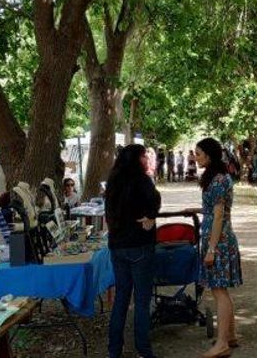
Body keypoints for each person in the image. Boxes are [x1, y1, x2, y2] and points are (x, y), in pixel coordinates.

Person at [185, 138, 242, 358]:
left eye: (198, 154)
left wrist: (211, 249)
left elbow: (219, 215)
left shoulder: (218, 179)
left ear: (209, 155)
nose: (195, 157)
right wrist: (200, 209)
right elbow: (215, 210)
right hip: (218, 238)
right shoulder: (217, 177)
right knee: (221, 290)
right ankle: (231, 336)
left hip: (219, 241)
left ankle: (222, 344)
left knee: (219, 291)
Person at [105, 144, 161, 358]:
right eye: (144, 156)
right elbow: (155, 201)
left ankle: (114, 351)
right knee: (142, 300)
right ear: (137, 159)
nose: (147, 160)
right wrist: (151, 215)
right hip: (139, 245)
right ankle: (144, 350)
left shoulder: (113, 181)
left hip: (118, 246)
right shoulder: (142, 179)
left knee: (121, 298)